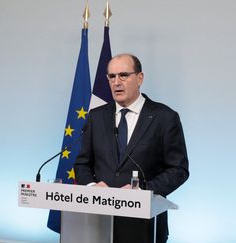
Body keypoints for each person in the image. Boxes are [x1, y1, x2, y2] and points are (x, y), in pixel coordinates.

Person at [74, 53, 189, 243]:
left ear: (140, 78)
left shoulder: (164, 117)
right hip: (98, 221)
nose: (116, 82)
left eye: (123, 75)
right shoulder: (96, 117)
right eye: (112, 76)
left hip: (143, 225)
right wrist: (93, 186)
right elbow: (82, 164)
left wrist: (143, 191)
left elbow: (178, 169)